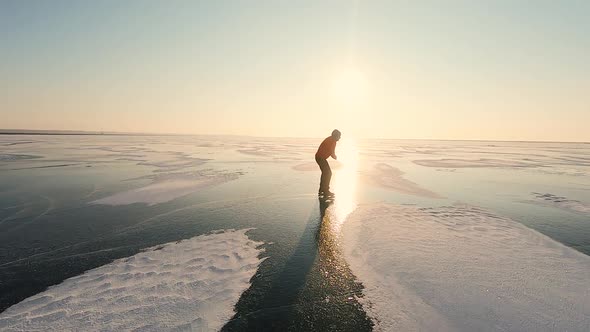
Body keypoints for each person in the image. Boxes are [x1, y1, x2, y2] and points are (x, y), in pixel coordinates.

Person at [315, 129, 341, 196]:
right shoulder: (331, 141)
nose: (340, 138)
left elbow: (332, 151)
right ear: (335, 136)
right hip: (320, 158)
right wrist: (336, 157)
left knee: (325, 173)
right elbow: (332, 152)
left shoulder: (332, 140)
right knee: (328, 173)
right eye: (339, 136)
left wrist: (334, 155)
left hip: (320, 157)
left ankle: (322, 189)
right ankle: (325, 190)